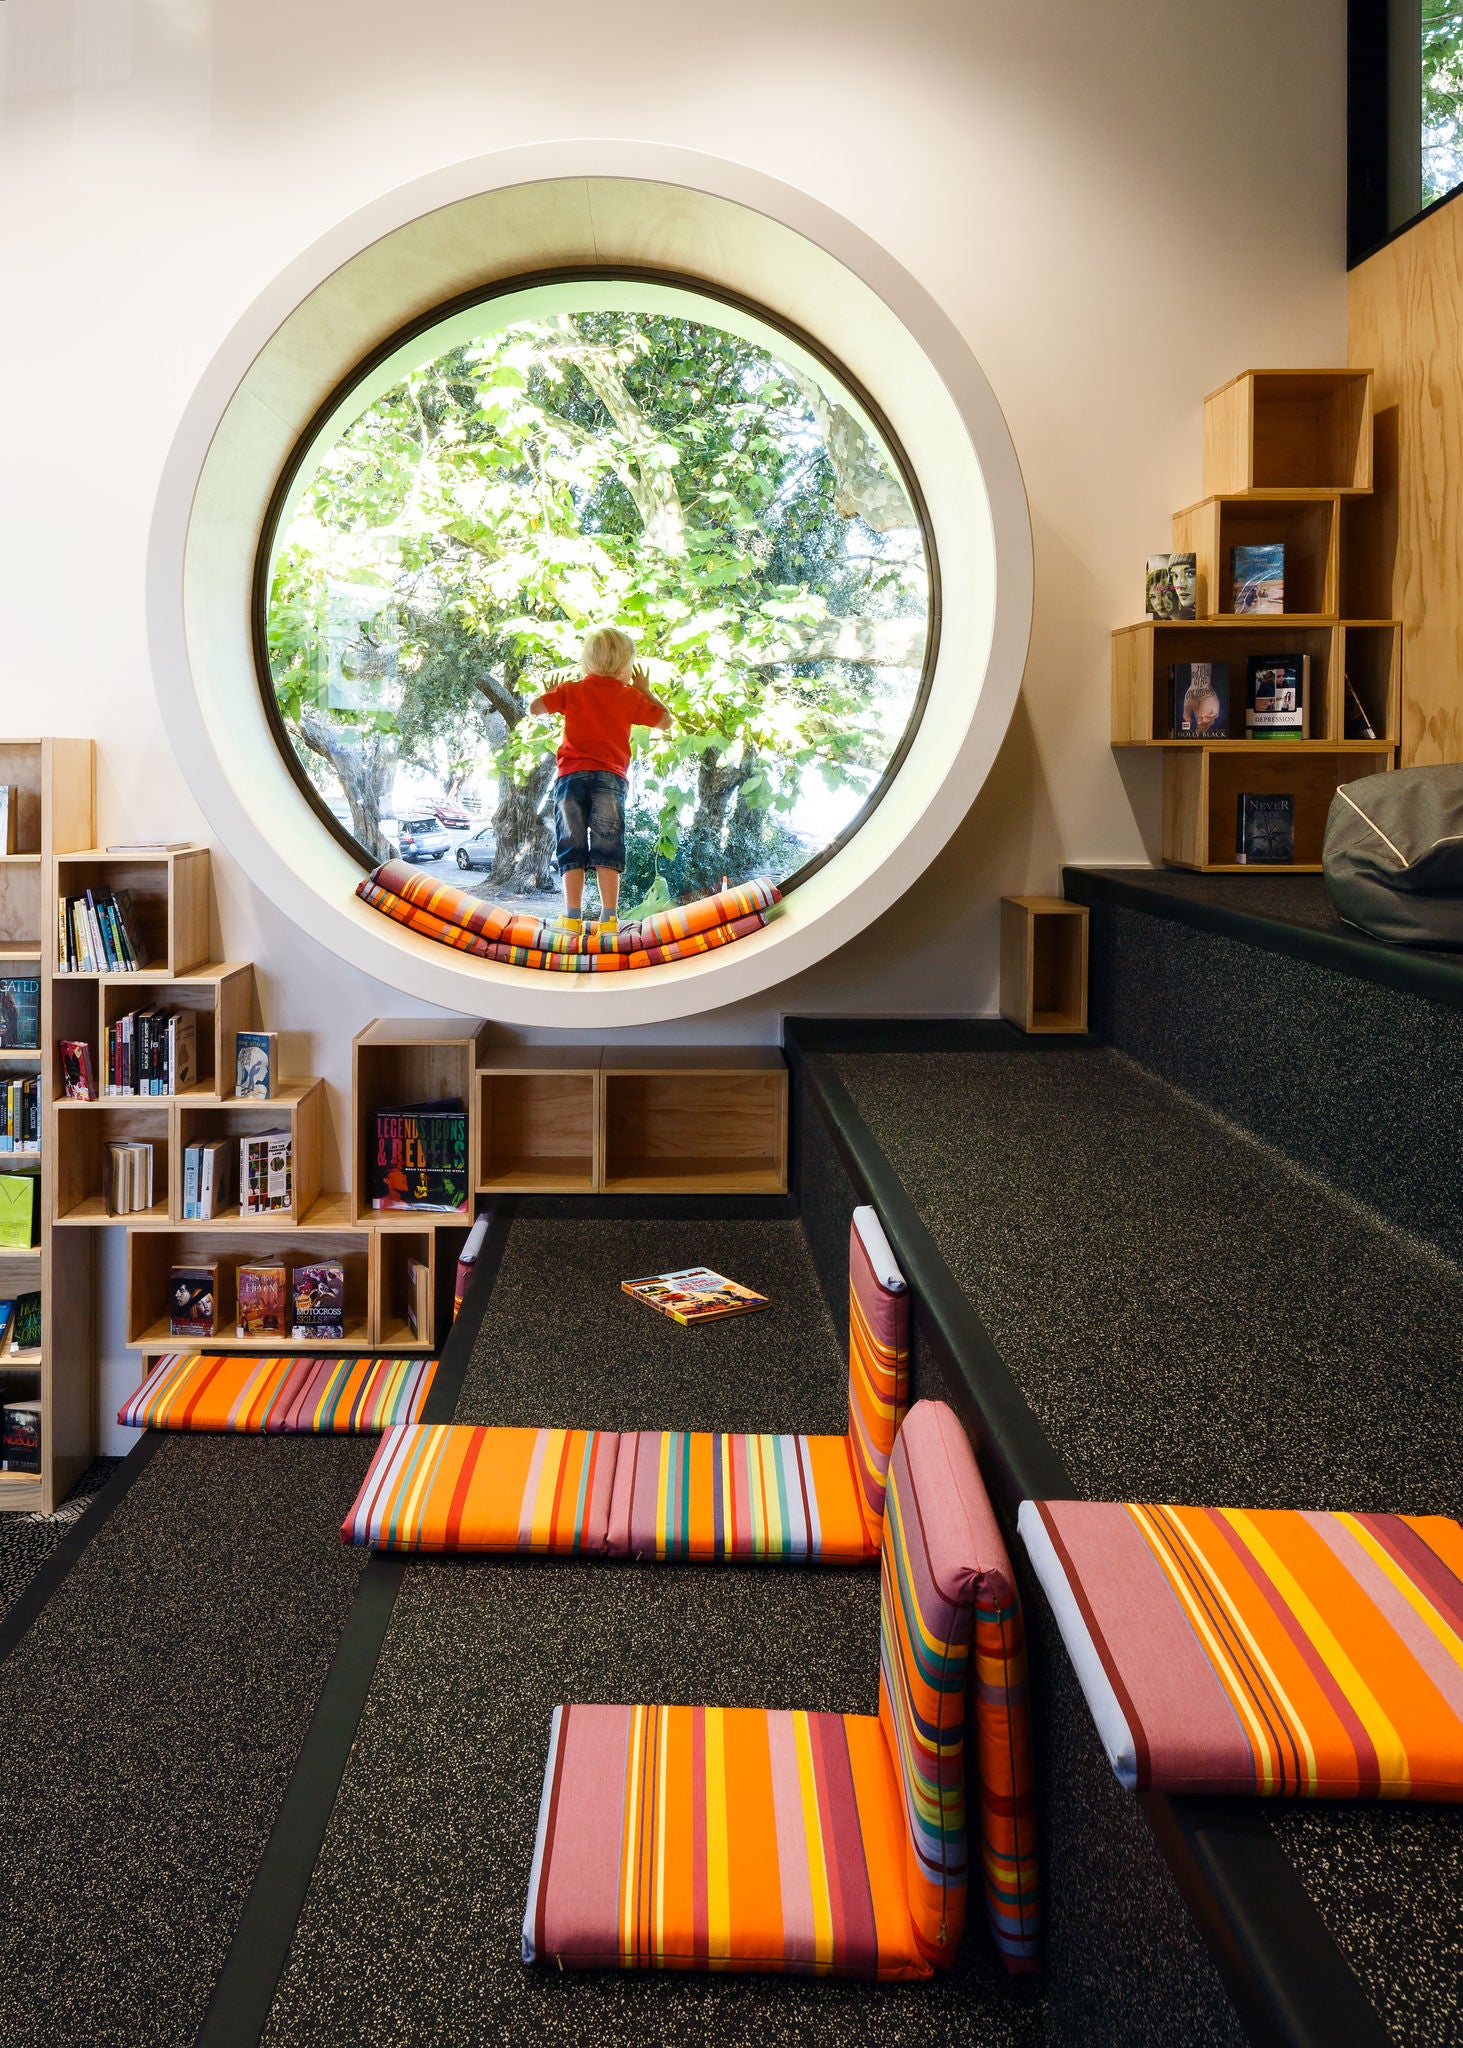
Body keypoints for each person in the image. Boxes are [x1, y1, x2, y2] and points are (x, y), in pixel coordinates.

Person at [528, 626, 672, 934]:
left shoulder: (571, 690)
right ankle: (609, 919)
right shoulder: (629, 696)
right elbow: (665, 721)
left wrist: (551, 693)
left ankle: (571, 917)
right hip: (610, 780)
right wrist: (645, 690)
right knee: (608, 847)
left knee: (571, 846)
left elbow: (535, 708)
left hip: (570, 779)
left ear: (586, 662)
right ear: (625, 667)